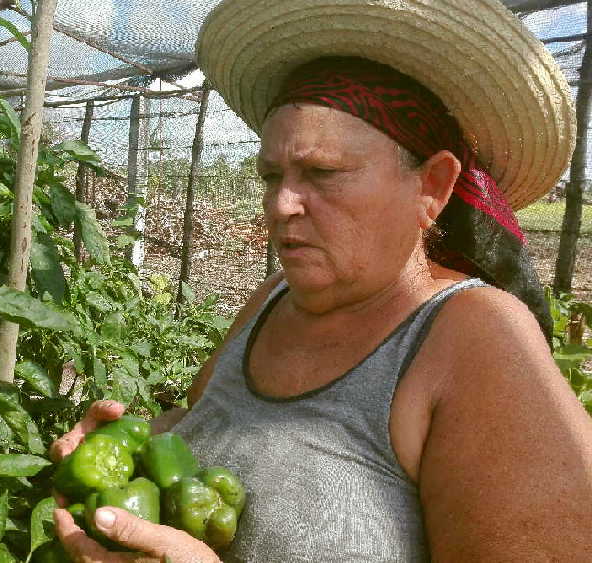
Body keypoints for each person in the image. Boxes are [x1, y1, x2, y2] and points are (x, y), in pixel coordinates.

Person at [51, 0, 592, 561]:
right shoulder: (273, 301)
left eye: (324, 173)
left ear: (431, 186)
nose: (282, 204)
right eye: (271, 175)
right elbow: (212, 433)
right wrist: (125, 454)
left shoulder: (476, 337)